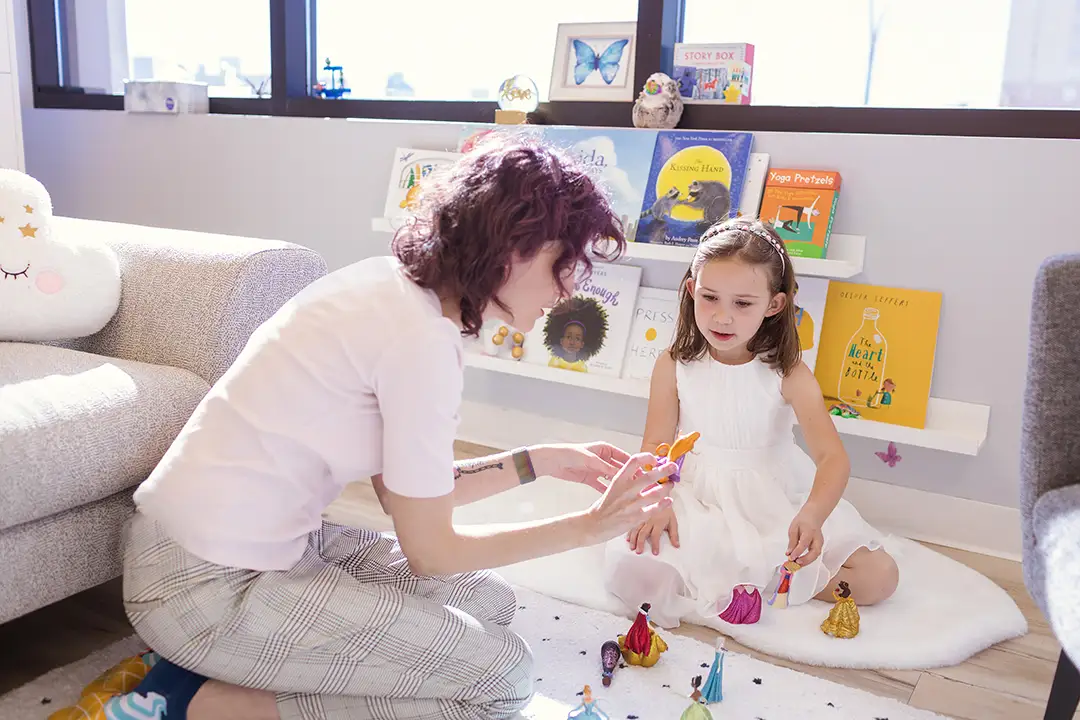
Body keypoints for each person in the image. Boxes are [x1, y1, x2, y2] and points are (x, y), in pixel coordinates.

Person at [108, 136, 676, 720]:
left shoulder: (391, 287)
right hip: (202, 589)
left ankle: (210, 672)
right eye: (565, 264)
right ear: (516, 249)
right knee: (502, 680)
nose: (569, 288)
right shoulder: (420, 340)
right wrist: (589, 527)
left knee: (489, 600)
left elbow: (401, 494)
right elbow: (430, 549)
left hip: (265, 549)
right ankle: (191, 702)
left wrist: (539, 461)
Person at [603, 217, 899, 629]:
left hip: (772, 497)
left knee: (879, 578)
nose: (722, 318)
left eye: (742, 304)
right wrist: (659, 502)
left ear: (774, 305)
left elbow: (833, 458)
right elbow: (656, 443)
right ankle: (742, 582)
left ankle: (753, 581)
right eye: (710, 298)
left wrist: (812, 516)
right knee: (635, 568)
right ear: (691, 291)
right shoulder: (673, 364)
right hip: (697, 494)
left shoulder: (789, 372)